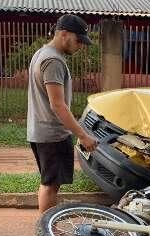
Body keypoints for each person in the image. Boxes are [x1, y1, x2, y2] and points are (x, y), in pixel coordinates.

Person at [27, 14, 97, 214]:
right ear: (64, 34)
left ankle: (46, 227)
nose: (80, 46)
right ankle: (45, 231)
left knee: (49, 182)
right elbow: (58, 105)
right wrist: (83, 135)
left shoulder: (42, 53)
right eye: (78, 41)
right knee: (50, 184)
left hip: (41, 131)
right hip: (52, 134)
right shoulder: (53, 61)